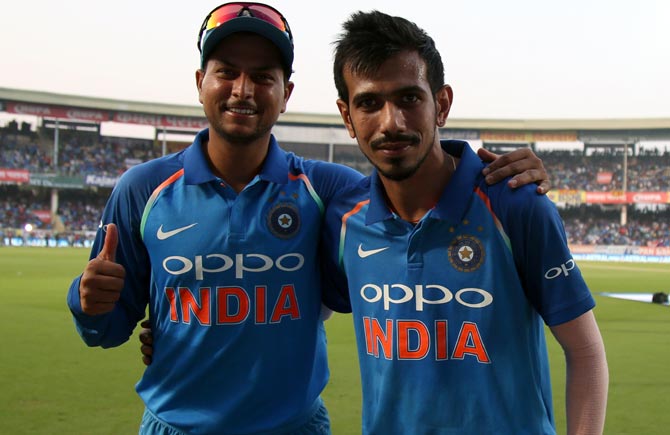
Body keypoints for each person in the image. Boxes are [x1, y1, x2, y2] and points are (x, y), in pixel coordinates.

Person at [68, 3, 550, 435]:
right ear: (201, 84)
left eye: (263, 76)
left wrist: (503, 174)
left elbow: (416, 193)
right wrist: (89, 304)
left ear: (286, 92)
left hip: (293, 427)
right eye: (226, 72)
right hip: (175, 425)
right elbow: (106, 330)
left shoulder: (330, 190)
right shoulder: (143, 189)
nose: (243, 89)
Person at [317, 10, 609, 435]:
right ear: (347, 117)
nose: (391, 122)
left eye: (409, 98)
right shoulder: (344, 221)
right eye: (369, 103)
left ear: (442, 104)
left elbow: (585, 353)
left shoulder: (516, 205)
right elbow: (304, 320)